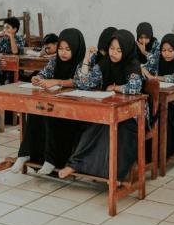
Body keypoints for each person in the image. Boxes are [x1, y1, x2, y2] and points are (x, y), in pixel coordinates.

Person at [59, 29, 144, 180]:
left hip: (133, 116)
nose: (114, 53)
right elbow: (83, 83)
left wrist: (115, 87)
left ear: (127, 49)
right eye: (111, 48)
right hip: (110, 110)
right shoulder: (106, 63)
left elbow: (134, 87)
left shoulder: (133, 64)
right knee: (93, 125)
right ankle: (76, 164)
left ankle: (111, 174)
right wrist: (86, 59)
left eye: (119, 50)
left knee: (114, 129)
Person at [11, 28, 89, 175]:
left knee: (49, 115)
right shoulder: (55, 61)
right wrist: (38, 78)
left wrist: (57, 81)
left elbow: (80, 82)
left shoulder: (82, 63)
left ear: (76, 48)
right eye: (60, 49)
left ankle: (51, 160)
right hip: (55, 104)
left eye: (67, 49)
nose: (63, 53)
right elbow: (44, 73)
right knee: (35, 112)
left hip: (74, 111)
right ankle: (24, 154)